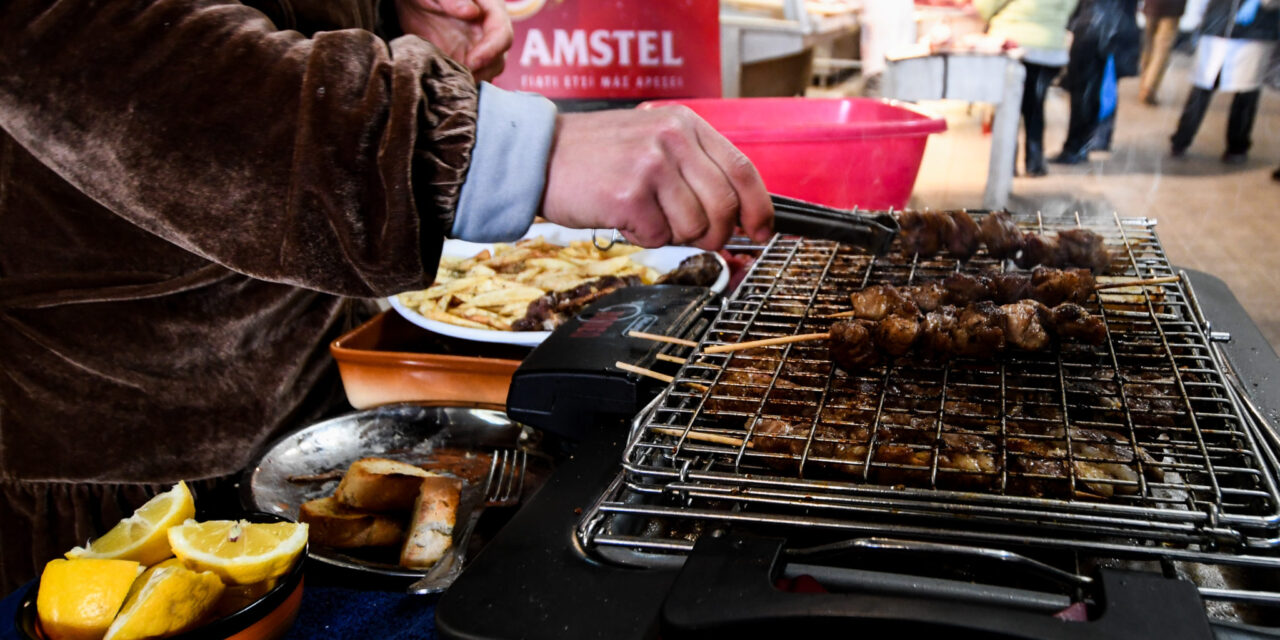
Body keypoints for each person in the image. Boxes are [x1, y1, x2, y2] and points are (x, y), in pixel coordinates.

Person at [0, 0, 775, 592]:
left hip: (318, 395)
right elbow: (86, 38)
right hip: (104, 464)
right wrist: (494, 146)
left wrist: (386, 12)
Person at [975, 0, 1081, 176]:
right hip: (1051, 47)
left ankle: (1006, 164)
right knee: (1035, 104)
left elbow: (985, 7)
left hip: (1013, 43)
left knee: (1009, 107)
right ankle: (1034, 161)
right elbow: (1069, 8)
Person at [1169, 0, 1280, 163]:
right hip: (1216, 29)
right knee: (1202, 88)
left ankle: (1237, 147)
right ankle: (1181, 139)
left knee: (1246, 93)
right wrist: (1196, 21)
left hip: (1255, 33)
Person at [1051, 0, 1142, 164]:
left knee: (1085, 91)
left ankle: (1076, 147)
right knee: (1100, 88)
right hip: (1115, 29)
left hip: (1092, 28)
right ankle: (1090, 141)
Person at [1139, 0, 1189, 104]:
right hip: (1172, 8)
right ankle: (1149, 87)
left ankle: (1144, 81)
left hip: (1152, 5)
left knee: (1148, 44)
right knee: (1162, 49)